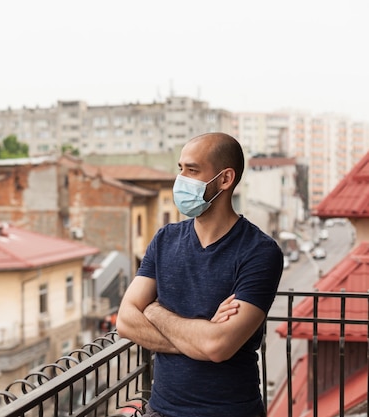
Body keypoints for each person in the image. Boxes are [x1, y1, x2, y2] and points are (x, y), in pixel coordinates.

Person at [116, 132, 283, 417]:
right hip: (161, 409)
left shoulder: (260, 252)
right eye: (180, 169)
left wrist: (155, 312)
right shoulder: (165, 239)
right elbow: (125, 321)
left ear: (225, 179)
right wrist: (198, 340)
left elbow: (218, 346)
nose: (181, 180)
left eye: (192, 171)